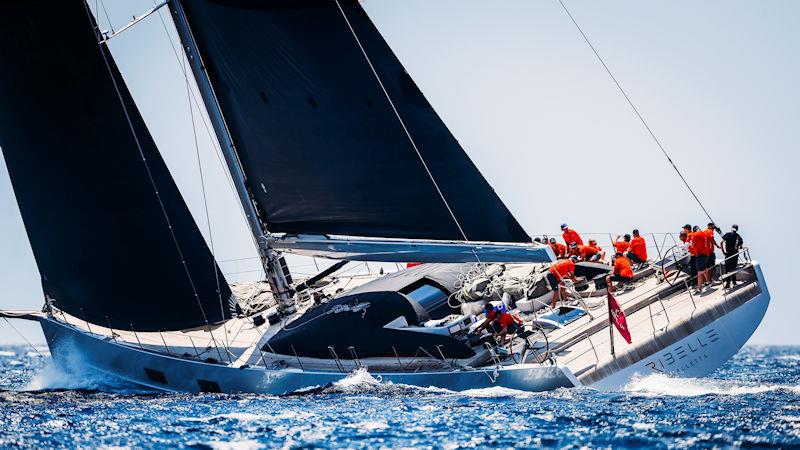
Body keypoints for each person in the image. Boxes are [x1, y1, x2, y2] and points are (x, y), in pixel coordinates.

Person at [689, 225, 711, 293]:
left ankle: (699, 289)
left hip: (700, 255)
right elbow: (709, 245)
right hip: (706, 254)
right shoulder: (706, 234)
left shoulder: (695, 235)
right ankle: (708, 282)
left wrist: (691, 245)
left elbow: (692, 245)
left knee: (699, 273)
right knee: (704, 269)